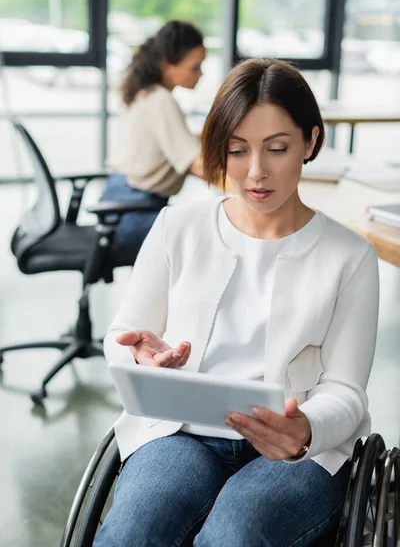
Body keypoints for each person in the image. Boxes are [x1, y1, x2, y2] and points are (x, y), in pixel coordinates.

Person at [95, 59, 380, 547]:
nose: (256, 172)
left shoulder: (349, 256)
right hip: (181, 434)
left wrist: (306, 429)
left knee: (234, 534)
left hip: (298, 453)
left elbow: (347, 390)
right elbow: (124, 335)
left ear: (311, 142)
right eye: (236, 150)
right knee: (130, 533)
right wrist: (140, 354)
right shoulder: (177, 228)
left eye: (277, 148)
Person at [101, 20, 206, 261]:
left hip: (118, 205)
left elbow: (169, 144)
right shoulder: (162, 101)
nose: (201, 74)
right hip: (133, 213)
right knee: (205, 234)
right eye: (195, 67)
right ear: (168, 66)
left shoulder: (144, 92)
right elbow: (197, 165)